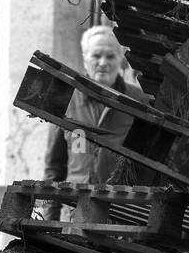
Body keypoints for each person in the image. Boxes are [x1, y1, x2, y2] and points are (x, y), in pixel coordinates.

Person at [42, 25, 154, 220]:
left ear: (120, 60)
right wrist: (49, 219)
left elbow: (148, 165)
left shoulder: (139, 102)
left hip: (120, 214)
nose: (103, 63)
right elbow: (55, 168)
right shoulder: (67, 100)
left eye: (110, 56)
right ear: (85, 59)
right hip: (75, 210)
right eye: (96, 56)